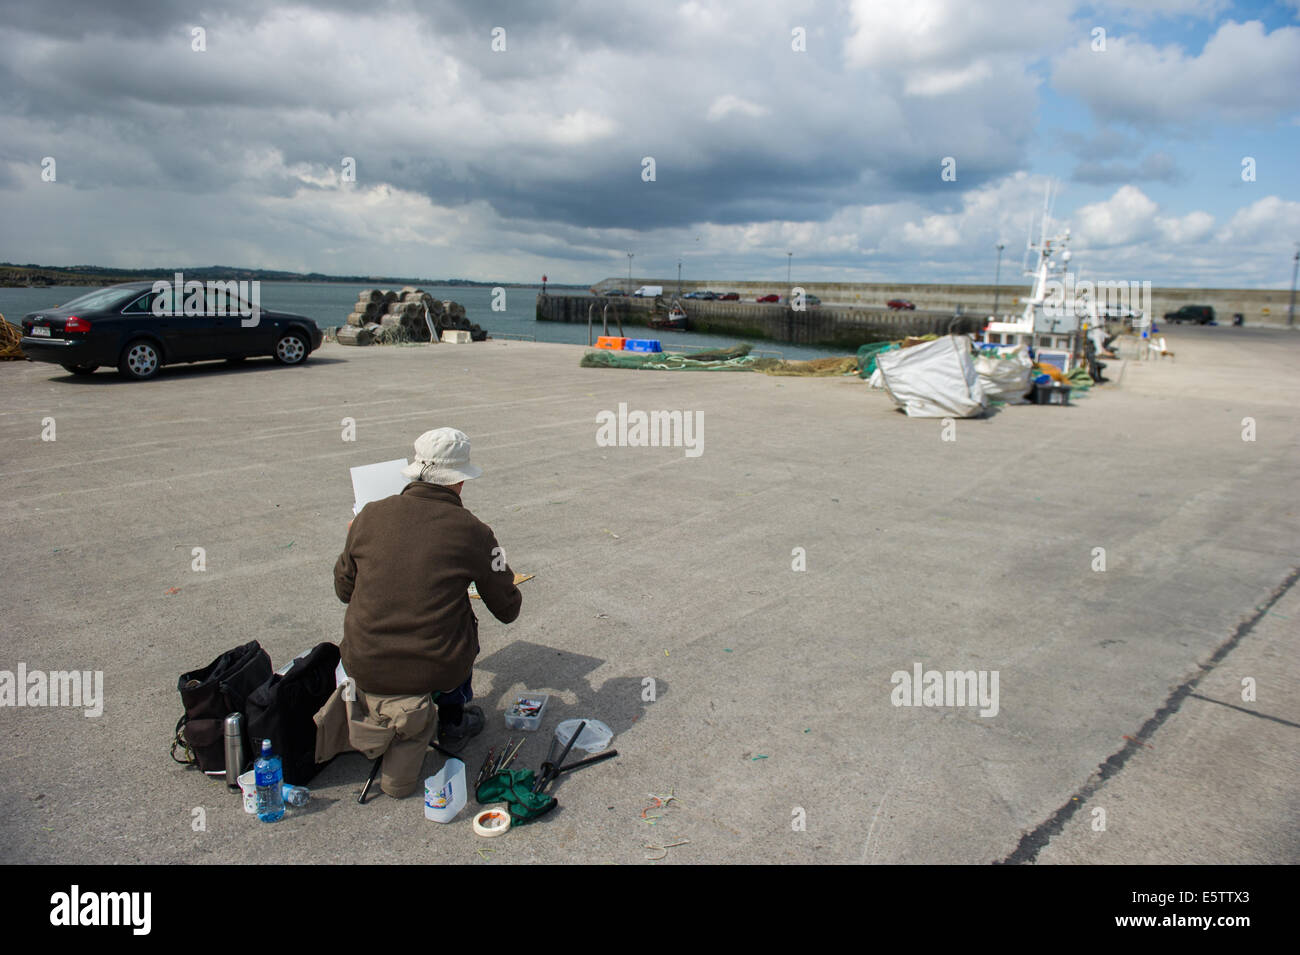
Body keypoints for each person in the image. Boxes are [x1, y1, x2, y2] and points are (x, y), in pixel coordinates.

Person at [332, 427, 522, 796]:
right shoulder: (473, 531)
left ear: (416, 469)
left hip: (362, 660)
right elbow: (508, 609)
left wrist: (353, 539)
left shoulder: (368, 516)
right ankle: (452, 718)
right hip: (435, 664)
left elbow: (344, 591)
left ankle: (384, 713)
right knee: (462, 621)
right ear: (460, 481)